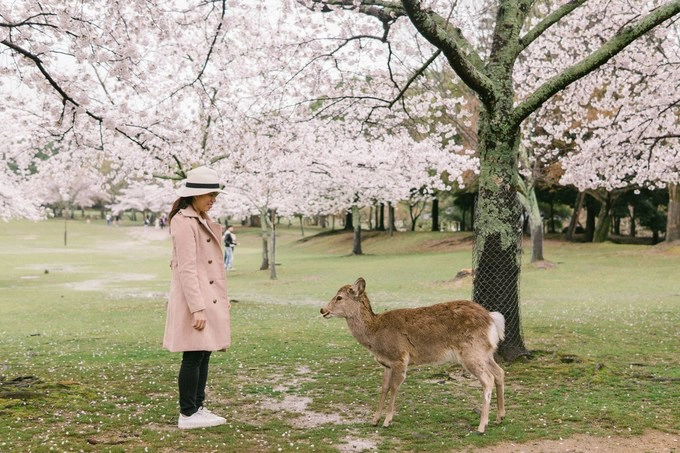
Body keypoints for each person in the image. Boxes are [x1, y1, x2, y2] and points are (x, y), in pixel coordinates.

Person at [163, 166, 231, 430]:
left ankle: (197, 407)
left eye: (215, 194)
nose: (213, 199)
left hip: (206, 295)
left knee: (203, 353)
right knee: (193, 355)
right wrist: (197, 308)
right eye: (208, 195)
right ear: (194, 195)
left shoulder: (199, 218)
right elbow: (187, 268)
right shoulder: (183, 221)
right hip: (196, 299)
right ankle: (188, 412)